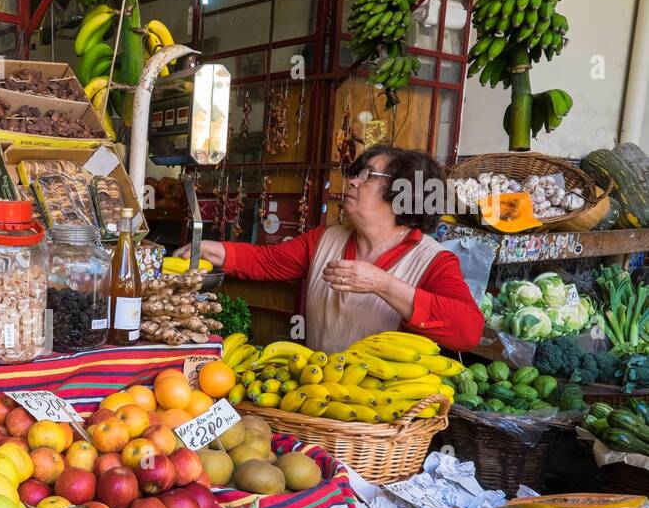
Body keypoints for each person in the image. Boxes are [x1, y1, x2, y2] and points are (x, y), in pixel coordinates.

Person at [174, 147, 483, 354]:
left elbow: (468, 332)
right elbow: (266, 261)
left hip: (381, 423)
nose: (351, 182)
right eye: (354, 173)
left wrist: (381, 283)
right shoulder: (326, 239)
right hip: (319, 400)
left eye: (367, 176)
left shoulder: (433, 261)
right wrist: (210, 249)